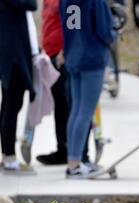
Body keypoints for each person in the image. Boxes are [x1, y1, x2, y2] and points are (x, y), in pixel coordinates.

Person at [60, 0, 116, 178]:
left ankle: (73, 161)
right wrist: (116, 33)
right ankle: (75, 165)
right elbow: (105, 32)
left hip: (73, 57)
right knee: (85, 112)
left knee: (76, 110)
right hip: (92, 59)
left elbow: (68, 29)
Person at [36, 0, 89, 166]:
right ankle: (63, 147)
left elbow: (75, 25)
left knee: (69, 104)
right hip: (50, 55)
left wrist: (67, 49)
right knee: (60, 104)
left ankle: (74, 151)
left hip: (63, 56)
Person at [0, 0, 37, 174]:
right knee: (11, 106)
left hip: (14, 54)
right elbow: (32, 4)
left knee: (9, 105)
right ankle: (9, 155)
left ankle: (8, 154)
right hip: (14, 57)